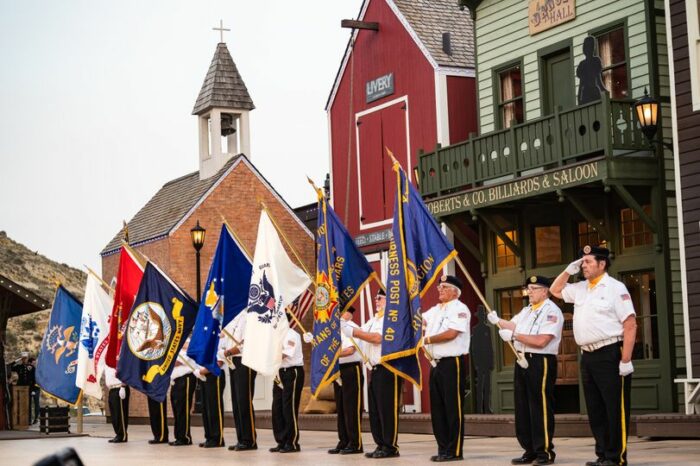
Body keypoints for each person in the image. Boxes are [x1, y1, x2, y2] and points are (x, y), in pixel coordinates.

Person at [550, 246, 637, 466]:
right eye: (582, 262)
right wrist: (568, 271)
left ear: (602, 264)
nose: (584, 266)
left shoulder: (615, 288)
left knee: (614, 408)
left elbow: (630, 324)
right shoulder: (580, 288)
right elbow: (555, 290)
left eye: (588, 261)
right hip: (587, 356)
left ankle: (616, 457)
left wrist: (625, 360)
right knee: (596, 409)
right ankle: (603, 455)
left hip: (610, 353)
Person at [488, 276, 564, 465]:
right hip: (521, 359)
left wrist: (514, 335)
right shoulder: (527, 310)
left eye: (533, 288)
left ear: (545, 291)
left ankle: (544, 452)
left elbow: (541, 341)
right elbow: (513, 325)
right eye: (528, 288)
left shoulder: (552, 311)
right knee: (523, 407)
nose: (529, 292)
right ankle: (529, 449)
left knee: (539, 406)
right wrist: (498, 320)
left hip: (540, 360)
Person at [342, 288, 402, 459]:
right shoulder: (373, 320)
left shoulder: (392, 318)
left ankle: (391, 446)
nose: (376, 301)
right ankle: (381, 444)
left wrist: (351, 330)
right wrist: (340, 325)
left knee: (387, 409)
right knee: (375, 411)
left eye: (380, 298)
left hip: (388, 367)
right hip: (374, 369)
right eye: (376, 298)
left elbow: (376, 338)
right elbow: (359, 335)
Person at [422, 275, 471, 463]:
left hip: (452, 362)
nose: (439, 290)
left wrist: (426, 339)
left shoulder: (460, 309)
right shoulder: (436, 309)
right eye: (439, 287)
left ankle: (454, 450)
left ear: (454, 291)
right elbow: (419, 320)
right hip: (436, 363)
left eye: (444, 287)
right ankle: (443, 448)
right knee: (438, 409)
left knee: (452, 408)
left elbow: (451, 334)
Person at [323, 306, 364, 455]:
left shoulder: (352, 327)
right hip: (339, 370)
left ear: (348, 313)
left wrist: (332, 354)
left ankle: (355, 443)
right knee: (341, 408)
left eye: (340, 311)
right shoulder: (335, 329)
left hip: (351, 369)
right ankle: (343, 441)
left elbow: (350, 350)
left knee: (352, 408)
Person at [223, 311, 258, 451]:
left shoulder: (251, 316)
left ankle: (250, 440)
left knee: (244, 401)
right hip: (233, 361)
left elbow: (248, 341)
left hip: (246, 360)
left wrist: (230, 351)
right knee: (237, 402)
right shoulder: (234, 317)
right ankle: (241, 438)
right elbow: (226, 339)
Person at [270, 313, 305, 454]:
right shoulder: (275, 337)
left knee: (288, 407)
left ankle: (292, 442)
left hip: (292, 372)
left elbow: (286, 353)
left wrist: (268, 357)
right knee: (277, 407)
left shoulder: (292, 335)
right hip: (279, 372)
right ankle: (281, 441)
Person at [169, 340, 205, 446]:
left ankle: (185, 437)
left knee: (183, 408)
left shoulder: (190, 342)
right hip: (175, 380)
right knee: (176, 407)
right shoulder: (177, 345)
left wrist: (170, 361)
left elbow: (179, 361)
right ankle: (179, 436)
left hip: (186, 378)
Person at [198, 336, 227, 448]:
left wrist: (203, 371)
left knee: (215, 407)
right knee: (206, 407)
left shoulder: (222, 337)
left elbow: (219, 362)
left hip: (215, 374)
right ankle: (209, 437)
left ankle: (217, 438)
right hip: (205, 374)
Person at [105, 366, 129, 443]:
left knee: (120, 414)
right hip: (112, 389)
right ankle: (118, 434)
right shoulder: (108, 360)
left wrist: (123, 386)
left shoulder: (119, 355)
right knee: (114, 415)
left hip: (120, 388)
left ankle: (122, 435)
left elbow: (126, 371)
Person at [10, 352, 34, 425]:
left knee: (28, 404)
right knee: (20, 404)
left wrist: (32, 389)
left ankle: (28, 420)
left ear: (27, 359)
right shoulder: (18, 366)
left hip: (28, 388)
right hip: (20, 387)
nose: (24, 360)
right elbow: (10, 367)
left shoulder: (31, 367)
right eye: (23, 358)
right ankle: (20, 420)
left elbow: (33, 378)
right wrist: (17, 360)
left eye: (25, 358)